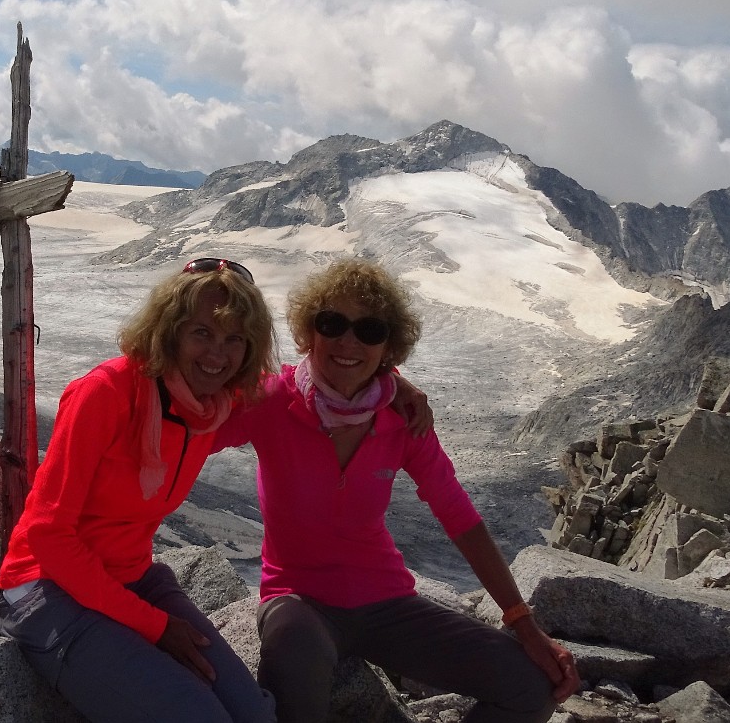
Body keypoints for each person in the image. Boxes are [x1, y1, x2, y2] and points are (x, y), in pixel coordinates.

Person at [215, 258, 580, 723]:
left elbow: (459, 515)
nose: (349, 341)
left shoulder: (402, 420)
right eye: (332, 324)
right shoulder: (270, 402)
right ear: (310, 333)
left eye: (370, 330)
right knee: (292, 646)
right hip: (299, 599)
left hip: (386, 602)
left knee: (531, 684)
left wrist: (522, 624)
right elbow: (188, 431)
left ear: (390, 346)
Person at [0, 258, 279, 723]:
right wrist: (155, 626)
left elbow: (308, 386)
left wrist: (393, 385)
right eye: (202, 333)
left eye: (235, 339)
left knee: (254, 714)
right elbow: (48, 533)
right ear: (170, 330)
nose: (217, 354)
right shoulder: (106, 393)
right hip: (45, 589)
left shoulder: (214, 402)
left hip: (132, 577)